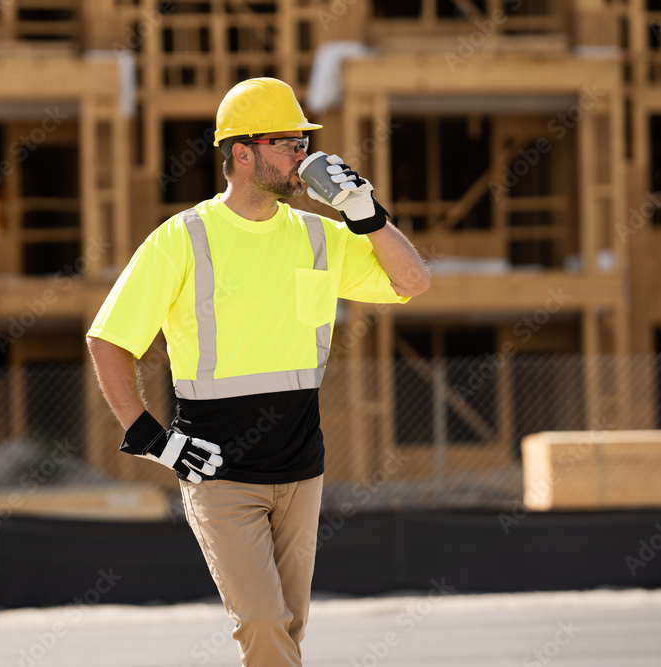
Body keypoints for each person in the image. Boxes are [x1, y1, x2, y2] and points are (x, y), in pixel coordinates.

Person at [86, 77, 429, 667]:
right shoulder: (183, 239)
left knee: (287, 630)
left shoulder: (321, 237)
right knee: (264, 623)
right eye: (288, 142)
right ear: (241, 153)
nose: (304, 155)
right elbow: (109, 340)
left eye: (303, 141)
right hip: (220, 476)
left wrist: (366, 214)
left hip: (302, 471)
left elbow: (412, 282)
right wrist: (151, 439)